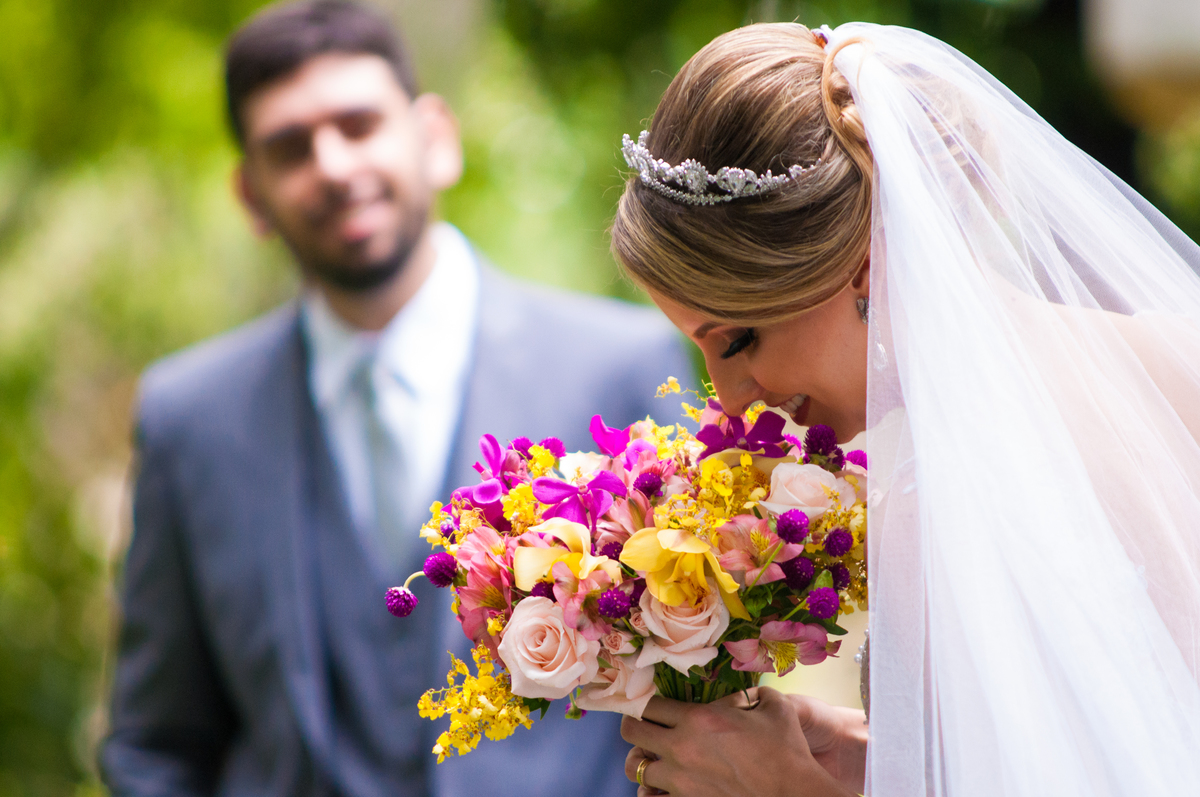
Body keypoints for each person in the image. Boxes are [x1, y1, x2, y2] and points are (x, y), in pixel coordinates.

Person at [99, 2, 693, 795]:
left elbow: (701, 710)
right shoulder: (189, 418)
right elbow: (156, 741)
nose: (335, 165)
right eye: (290, 146)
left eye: (358, 123)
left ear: (435, 140)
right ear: (250, 194)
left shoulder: (619, 366)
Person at [607, 21, 1200, 797]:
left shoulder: (929, 497)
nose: (729, 395)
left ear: (860, 262)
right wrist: (874, 762)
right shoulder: (1171, 356)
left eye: (740, 336)